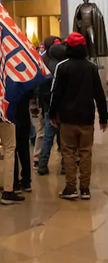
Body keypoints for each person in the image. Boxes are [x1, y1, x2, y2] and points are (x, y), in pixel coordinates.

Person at [50, 32, 108, 200]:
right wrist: (104, 118)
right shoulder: (91, 67)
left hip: (67, 119)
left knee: (68, 152)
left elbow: (56, 93)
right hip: (87, 119)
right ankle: (85, 189)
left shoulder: (63, 66)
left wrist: (53, 114)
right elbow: (99, 94)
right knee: (85, 153)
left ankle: (70, 188)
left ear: (69, 47)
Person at [37, 36, 67, 175]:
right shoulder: (65, 65)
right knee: (64, 138)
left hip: (49, 105)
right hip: (64, 106)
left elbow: (41, 87)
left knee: (48, 137)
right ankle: (65, 165)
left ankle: (42, 164)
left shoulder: (44, 63)